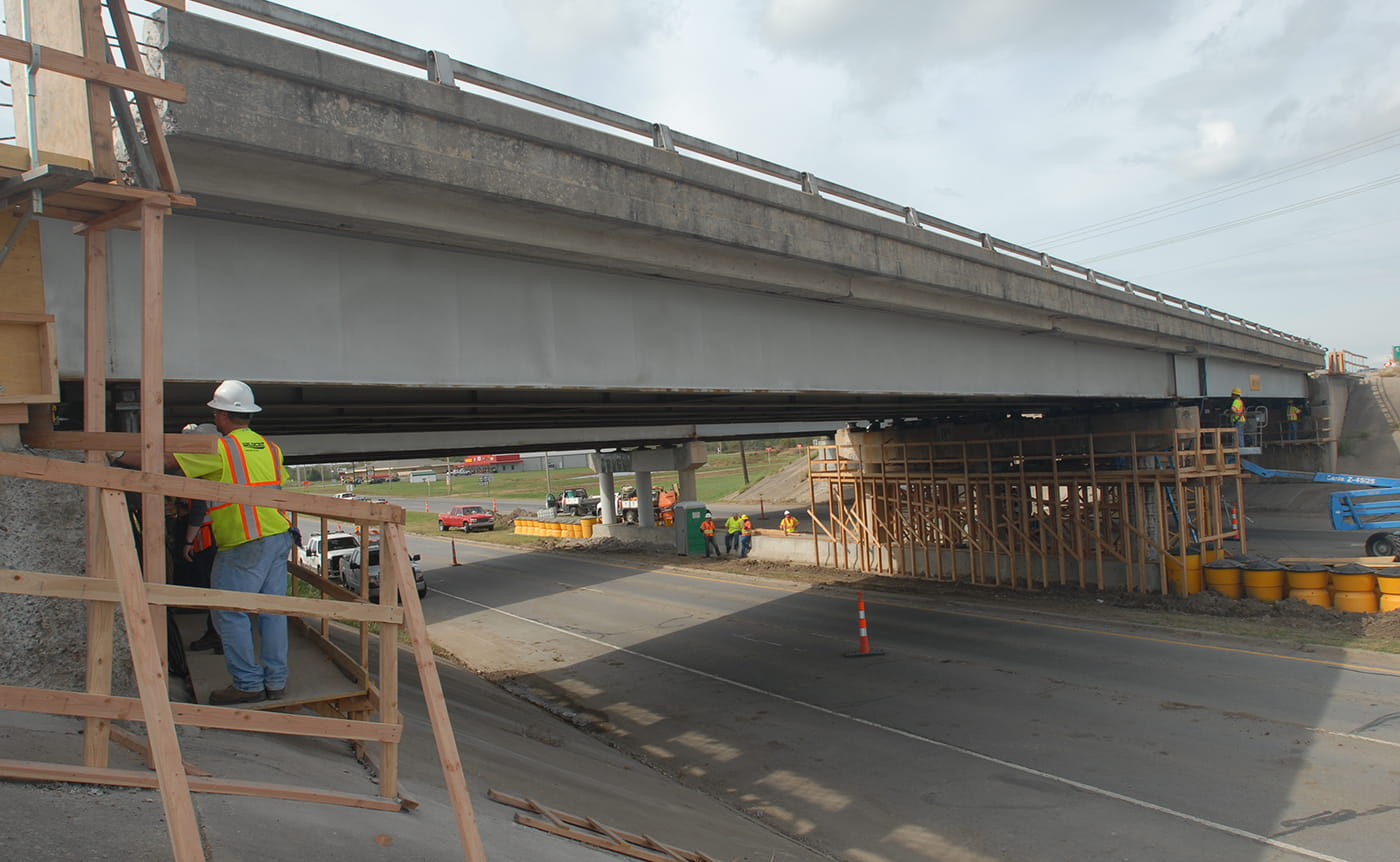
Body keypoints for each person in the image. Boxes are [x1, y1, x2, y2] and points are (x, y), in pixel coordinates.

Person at [171, 381, 294, 706]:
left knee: (229, 612)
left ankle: (247, 684)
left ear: (221, 415)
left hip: (244, 542)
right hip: (277, 536)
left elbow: (168, 463)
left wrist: (120, 455)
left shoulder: (221, 449)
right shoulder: (270, 448)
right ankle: (276, 682)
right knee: (273, 612)